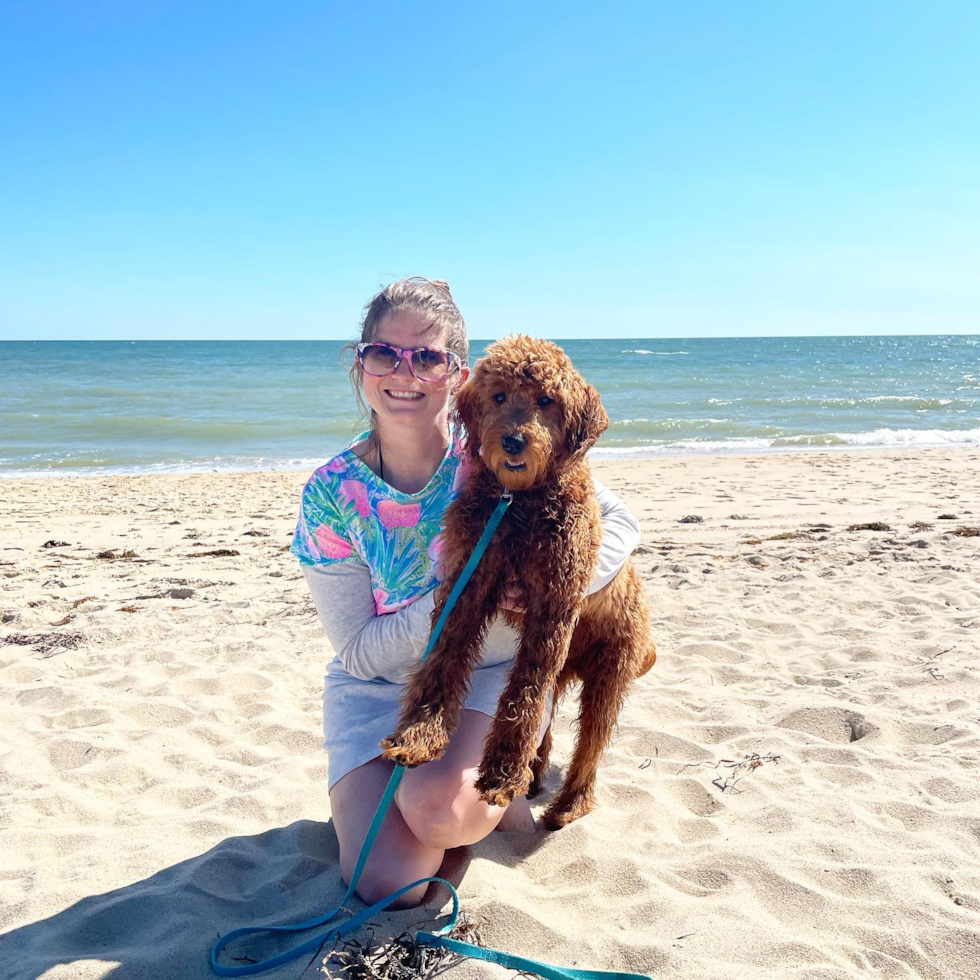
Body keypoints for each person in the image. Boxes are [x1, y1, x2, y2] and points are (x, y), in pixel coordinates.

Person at [291, 278, 641, 909]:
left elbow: (619, 524)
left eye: (427, 356)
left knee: (438, 816)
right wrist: (461, 594)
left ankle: (481, 794)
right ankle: (454, 798)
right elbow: (361, 654)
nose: (405, 373)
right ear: (360, 363)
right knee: (390, 885)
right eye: (384, 354)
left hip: (488, 676)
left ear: (457, 374)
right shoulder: (331, 493)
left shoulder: (495, 449)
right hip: (376, 688)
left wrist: (553, 589)